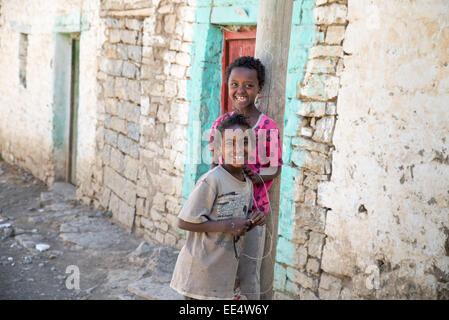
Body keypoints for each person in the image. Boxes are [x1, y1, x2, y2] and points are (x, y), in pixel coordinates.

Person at [209, 56, 284, 299]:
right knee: (222, 271)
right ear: (227, 85)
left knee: (248, 271)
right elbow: (214, 164)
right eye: (235, 84)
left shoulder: (267, 127)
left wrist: (255, 175)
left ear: (259, 88)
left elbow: (275, 167)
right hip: (222, 213)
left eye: (249, 85)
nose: (241, 90)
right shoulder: (220, 124)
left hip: (253, 214)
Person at [170, 114, 265, 300]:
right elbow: (183, 222)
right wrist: (228, 226)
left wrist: (251, 222)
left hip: (221, 276)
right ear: (220, 149)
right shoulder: (212, 180)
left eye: (245, 142)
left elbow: (235, 219)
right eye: (231, 143)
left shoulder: (246, 182)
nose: (238, 148)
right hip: (200, 275)